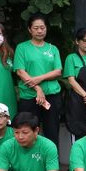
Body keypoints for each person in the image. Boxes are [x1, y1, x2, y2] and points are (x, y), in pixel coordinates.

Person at [13, 16, 63, 147]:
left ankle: (52, 159)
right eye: (36, 28)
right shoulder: (22, 48)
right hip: (29, 96)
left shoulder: (53, 49)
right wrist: (38, 89)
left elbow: (58, 71)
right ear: (30, 29)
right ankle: (29, 159)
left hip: (52, 96)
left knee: (52, 132)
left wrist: (39, 78)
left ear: (46, 29)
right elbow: (20, 72)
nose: (39, 31)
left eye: (42, 27)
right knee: (27, 131)